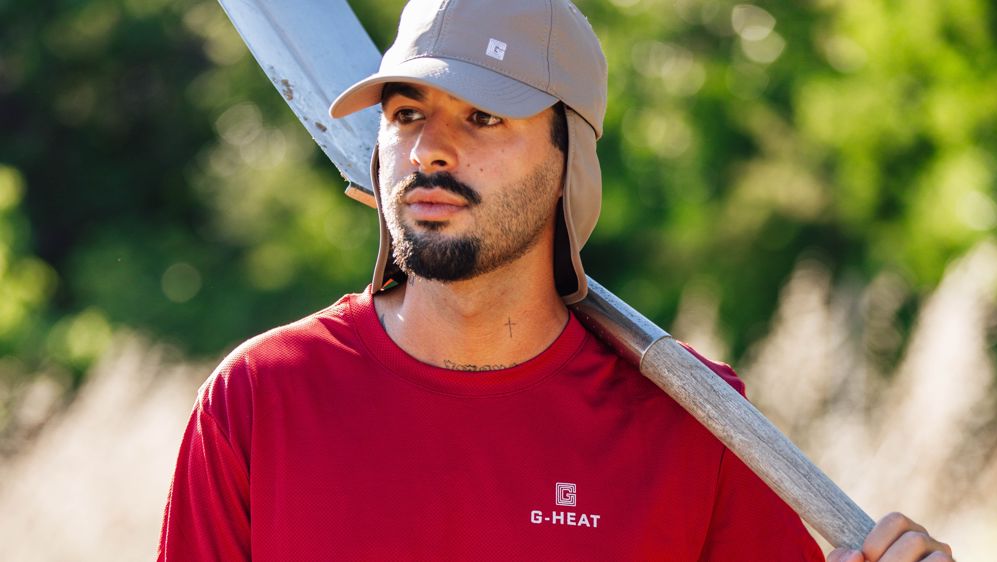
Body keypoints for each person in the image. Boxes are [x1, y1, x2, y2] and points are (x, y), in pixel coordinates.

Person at [157, 1, 954, 560]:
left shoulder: (694, 424)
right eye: (407, 114)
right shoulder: (260, 400)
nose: (430, 150)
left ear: (570, 158)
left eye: (483, 117)